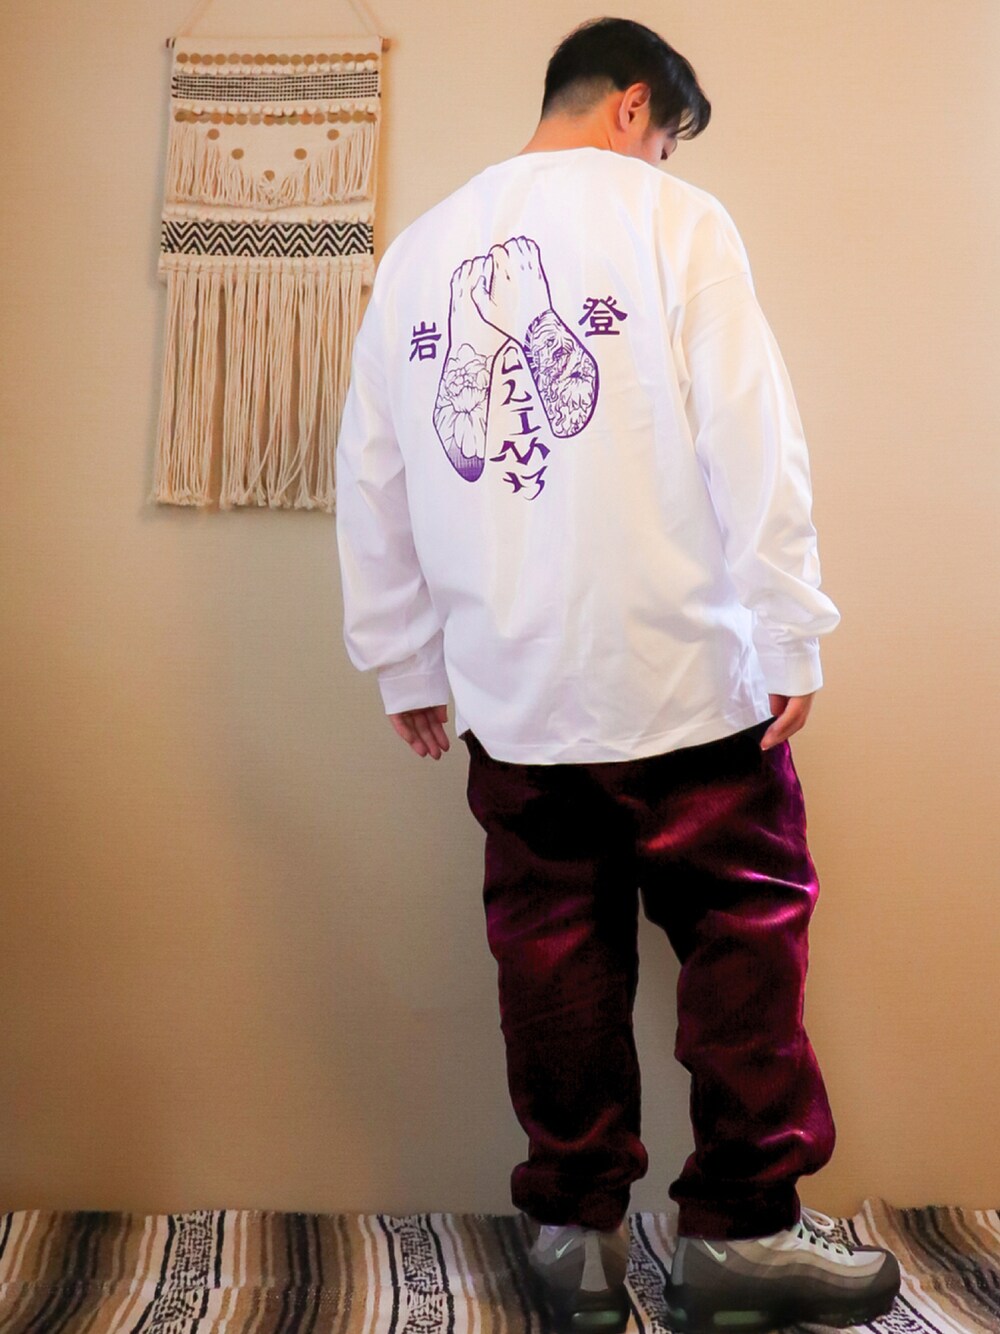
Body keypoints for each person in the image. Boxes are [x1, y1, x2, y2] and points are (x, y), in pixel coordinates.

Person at [334, 16, 901, 1334]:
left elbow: (372, 474)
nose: (659, 158)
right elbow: (753, 435)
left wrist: (404, 659)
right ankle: (741, 1241)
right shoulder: (675, 222)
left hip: (515, 691)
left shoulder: (419, 253)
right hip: (688, 681)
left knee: (553, 957)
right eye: (665, 136)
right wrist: (789, 627)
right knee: (743, 945)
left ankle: (573, 1241)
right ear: (634, 105)